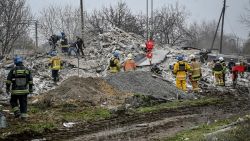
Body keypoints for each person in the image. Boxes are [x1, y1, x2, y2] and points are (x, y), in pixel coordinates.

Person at [5, 56, 33, 120]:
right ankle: (24, 117)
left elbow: (8, 80)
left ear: (15, 62)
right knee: (23, 103)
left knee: (13, 101)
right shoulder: (27, 70)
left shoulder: (13, 70)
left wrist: (7, 88)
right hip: (24, 91)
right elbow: (30, 80)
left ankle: (17, 112)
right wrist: (30, 89)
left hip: (15, 91)